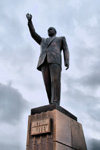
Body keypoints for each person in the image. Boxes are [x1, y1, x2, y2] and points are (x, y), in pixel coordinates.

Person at [26, 13, 69, 105]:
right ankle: (51, 102)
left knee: (55, 81)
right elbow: (33, 34)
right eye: (48, 29)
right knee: (47, 84)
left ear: (55, 31)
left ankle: (56, 102)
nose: (49, 29)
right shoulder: (42, 40)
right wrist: (30, 21)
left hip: (55, 60)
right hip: (43, 62)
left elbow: (66, 49)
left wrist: (67, 61)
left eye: (51, 28)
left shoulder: (61, 38)